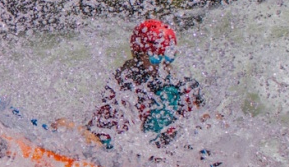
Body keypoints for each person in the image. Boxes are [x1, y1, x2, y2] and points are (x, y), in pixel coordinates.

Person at [85, 19, 204, 150]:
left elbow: (200, 125)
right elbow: (100, 127)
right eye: (155, 58)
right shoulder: (123, 84)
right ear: (138, 55)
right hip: (128, 149)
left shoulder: (182, 88)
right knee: (63, 124)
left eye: (168, 58)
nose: (162, 64)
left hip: (165, 152)